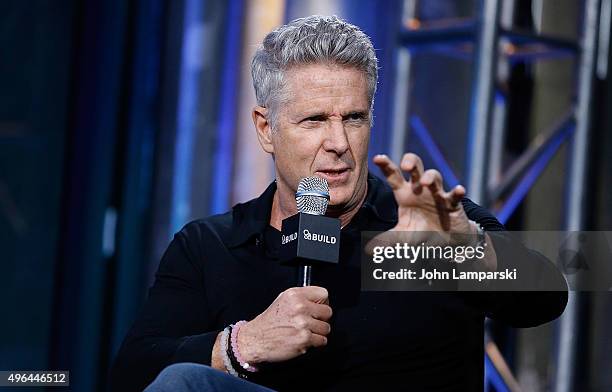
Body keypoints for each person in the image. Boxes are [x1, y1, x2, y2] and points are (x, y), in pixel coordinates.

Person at [109, 15, 567, 391]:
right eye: (313, 120)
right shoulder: (211, 245)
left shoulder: (430, 225)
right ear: (266, 129)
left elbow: (547, 298)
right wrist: (241, 346)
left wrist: (466, 252)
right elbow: (133, 375)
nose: (338, 142)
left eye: (354, 118)